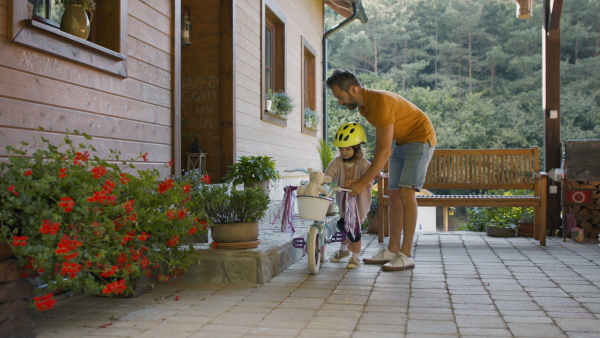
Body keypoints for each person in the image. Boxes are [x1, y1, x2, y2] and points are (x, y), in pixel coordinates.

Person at [325, 69, 437, 271]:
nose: (339, 102)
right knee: (393, 194)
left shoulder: (380, 102)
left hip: (420, 140)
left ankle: (406, 254)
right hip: (401, 143)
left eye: (340, 97)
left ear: (353, 89)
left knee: (405, 191)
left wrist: (362, 182)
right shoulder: (364, 107)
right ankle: (392, 249)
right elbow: (381, 146)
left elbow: (384, 150)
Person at [325, 122, 373, 269]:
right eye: (341, 148)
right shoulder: (338, 162)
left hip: (359, 205)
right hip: (344, 204)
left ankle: (355, 257)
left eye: (347, 148)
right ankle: (344, 251)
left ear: (357, 148)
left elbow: (369, 180)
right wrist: (323, 179)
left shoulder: (363, 163)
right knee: (344, 227)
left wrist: (357, 181)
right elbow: (330, 173)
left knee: (354, 230)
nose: (343, 152)